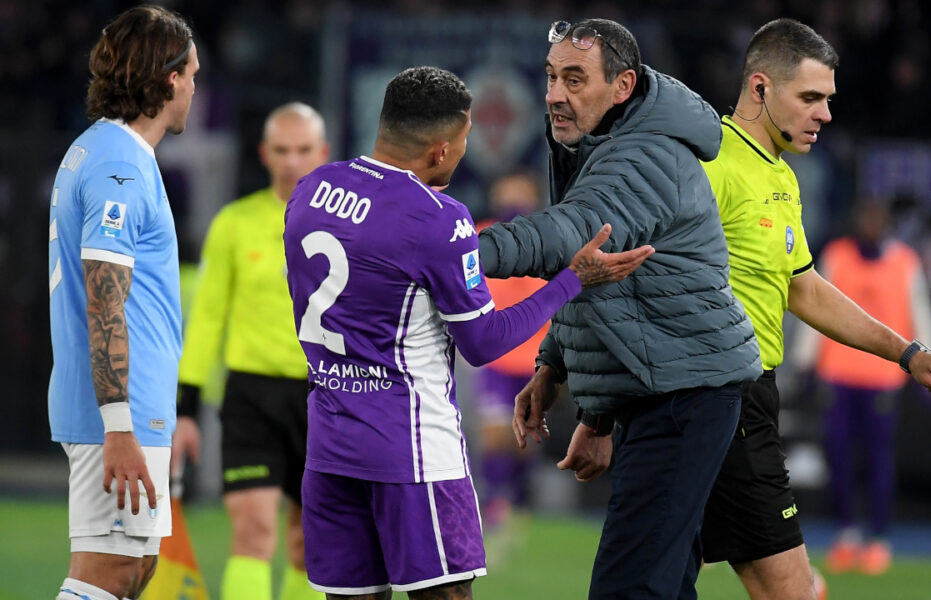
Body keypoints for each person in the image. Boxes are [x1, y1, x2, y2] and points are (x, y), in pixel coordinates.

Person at [282, 66, 652, 600]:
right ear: (439, 150)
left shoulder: (311, 189)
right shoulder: (438, 218)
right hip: (409, 448)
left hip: (330, 444)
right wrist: (573, 280)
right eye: (462, 142)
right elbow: (483, 342)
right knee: (447, 596)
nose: (460, 155)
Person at [480, 19, 763, 599]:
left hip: (685, 399)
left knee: (629, 589)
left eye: (575, 79)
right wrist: (560, 376)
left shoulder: (644, 156)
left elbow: (567, 237)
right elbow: (597, 279)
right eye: (552, 77)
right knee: (659, 585)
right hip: (664, 391)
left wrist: (449, 248)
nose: (556, 94)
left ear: (623, 85)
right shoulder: (602, 144)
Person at [699, 18, 931, 600]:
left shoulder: (781, 177)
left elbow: (804, 289)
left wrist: (908, 352)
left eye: (829, 100)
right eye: (811, 98)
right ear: (761, 89)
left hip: (740, 398)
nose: (825, 114)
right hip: (719, 397)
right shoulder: (709, 163)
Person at [46, 6, 198, 600]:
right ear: (167, 79)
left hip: (130, 406)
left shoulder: (110, 152)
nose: (193, 88)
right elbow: (104, 297)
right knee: (107, 570)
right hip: (117, 411)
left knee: (133, 570)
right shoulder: (119, 166)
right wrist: (119, 427)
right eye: (191, 75)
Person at [173, 103, 329, 600]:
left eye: (303, 150)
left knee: (310, 544)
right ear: (264, 154)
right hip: (251, 399)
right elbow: (208, 319)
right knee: (254, 531)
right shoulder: (234, 224)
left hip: (324, 396)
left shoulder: (348, 229)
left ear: (322, 154)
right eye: (281, 150)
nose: (291, 161)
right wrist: (187, 408)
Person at [792, 199, 931, 575]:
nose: (871, 224)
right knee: (839, 458)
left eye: (878, 219)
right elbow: (815, 305)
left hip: (882, 379)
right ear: (858, 220)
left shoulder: (904, 261)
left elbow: (919, 311)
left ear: (886, 224)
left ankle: (878, 539)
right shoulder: (838, 254)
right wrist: (804, 361)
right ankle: (846, 534)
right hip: (839, 375)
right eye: (866, 217)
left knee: (878, 461)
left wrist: (930, 363)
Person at [472, 171, 549, 531]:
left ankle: (517, 499)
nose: (514, 199)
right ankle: (496, 500)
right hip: (495, 357)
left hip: (536, 358)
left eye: (521, 193)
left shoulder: (548, 240)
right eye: (508, 191)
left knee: (525, 438)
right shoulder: (479, 235)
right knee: (494, 433)